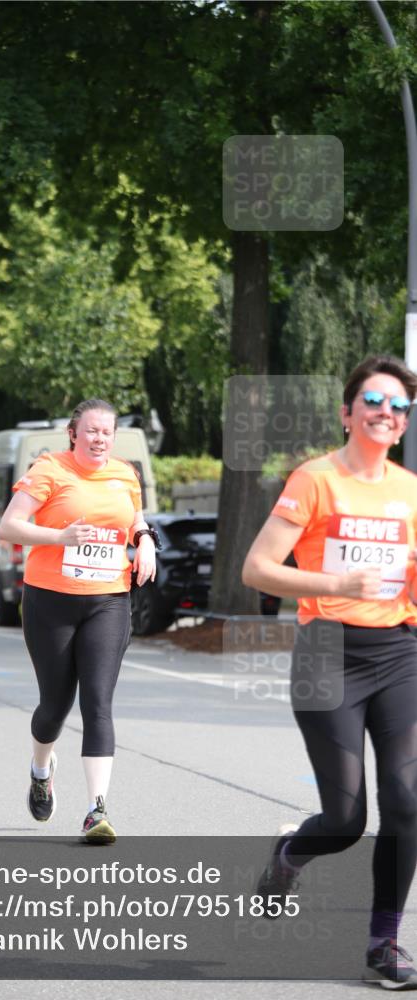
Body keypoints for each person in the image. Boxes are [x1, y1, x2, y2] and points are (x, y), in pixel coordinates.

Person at [242, 355, 417, 990]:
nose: (386, 412)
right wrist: (336, 581)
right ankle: (289, 856)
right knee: (345, 823)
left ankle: (383, 946)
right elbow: (258, 568)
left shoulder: (411, 492)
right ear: (348, 412)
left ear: (402, 424)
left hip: (398, 653)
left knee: (408, 802)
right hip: (327, 654)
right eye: (374, 399)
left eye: (398, 406)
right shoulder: (315, 479)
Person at [0, 399, 158, 843]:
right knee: (54, 706)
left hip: (109, 600)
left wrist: (144, 540)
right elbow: (9, 527)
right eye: (91, 431)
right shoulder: (49, 470)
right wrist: (60, 536)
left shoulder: (125, 474)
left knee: (98, 702)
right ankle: (40, 769)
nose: (100, 439)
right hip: (50, 600)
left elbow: (135, 520)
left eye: (107, 432)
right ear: (74, 433)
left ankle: (96, 809)